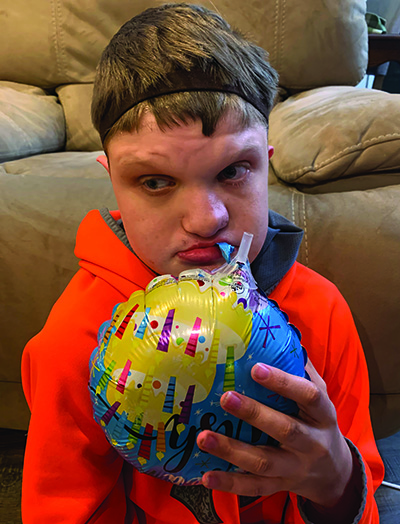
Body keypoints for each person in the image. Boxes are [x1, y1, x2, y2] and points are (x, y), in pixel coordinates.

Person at [21, 3, 384, 523]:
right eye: (154, 181)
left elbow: (361, 501)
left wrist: (338, 483)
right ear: (112, 180)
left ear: (267, 161)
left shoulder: (319, 311)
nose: (205, 219)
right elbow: (62, 508)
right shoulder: (74, 339)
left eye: (234, 170)